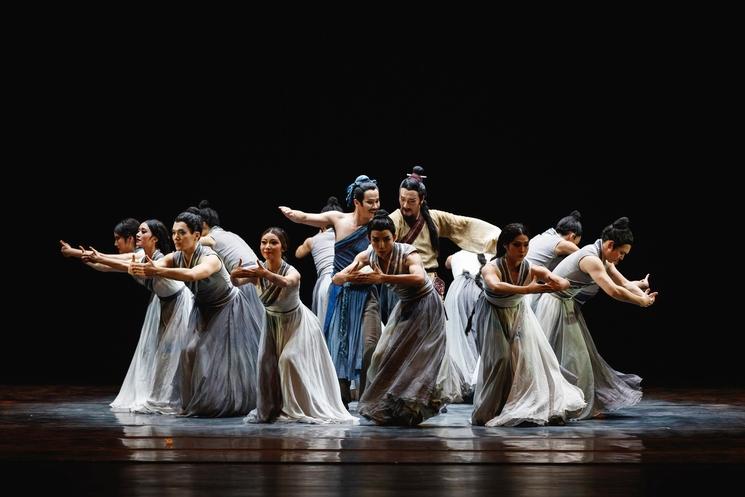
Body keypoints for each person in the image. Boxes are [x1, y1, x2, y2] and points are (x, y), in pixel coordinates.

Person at [130, 211, 263, 417]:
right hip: (203, 309)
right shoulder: (177, 257)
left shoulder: (210, 258)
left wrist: (156, 271)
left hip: (228, 308)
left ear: (197, 236)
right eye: (174, 233)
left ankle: (235, 401)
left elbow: (193, 274)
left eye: (182, 233)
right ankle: (190, 404)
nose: (176, 237)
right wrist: (138, 267)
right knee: (188, 351)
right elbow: (154, 265)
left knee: (228, 358)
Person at [534, 217, 657, 420]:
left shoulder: (603, 257)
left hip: (566, 305)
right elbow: (613, 290)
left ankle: (573, 404)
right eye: (622, 253)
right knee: (560, 358)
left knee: (577, 359)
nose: (622, 258)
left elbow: (624, 284)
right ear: (610, 245)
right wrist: (641, 302)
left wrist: (642, 293)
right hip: (553, 305)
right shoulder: (590, 258)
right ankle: (556, 404)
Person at [231, 227, 356, 424]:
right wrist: (233, 274)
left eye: (273, 242)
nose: (267, 246)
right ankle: (275, 407)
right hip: (273, 324)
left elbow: (287, 282)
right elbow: (237, 283)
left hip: (298, 324)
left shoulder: (290, 271)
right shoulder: (258, 270)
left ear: (283, 247)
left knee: (288, 360)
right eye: (264, 242)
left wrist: (265, 274)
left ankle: (296, 408)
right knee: (267, 366)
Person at [279, 175, 382, 409]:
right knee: (339, 345)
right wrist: (292, 214)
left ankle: (367, 398)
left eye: (377, 201)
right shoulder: (338, 219)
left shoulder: (377, 227)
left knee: (370, 345)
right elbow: (306, 218)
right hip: (341, 292)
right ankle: (341, 397)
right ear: (357, 202)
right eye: (371, 202)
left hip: (366, 292)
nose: (376, 206)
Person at [336, 210, 446, 425]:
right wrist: (349, 275)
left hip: (426, 305)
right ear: (369, 239)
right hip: (406, 304)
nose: (381, 245)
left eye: (386, 239)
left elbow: (418, 277)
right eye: (376, 240)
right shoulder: (367, 256)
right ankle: (389, 406)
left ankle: (412, 408)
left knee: (416, 360)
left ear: (394, 237)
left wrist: (383, 277)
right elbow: (337, 278)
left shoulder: (408, 253)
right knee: (381, 356)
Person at [470, 223, 586, 426]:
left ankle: (519, 403)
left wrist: (557, 283)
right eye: (517, 245)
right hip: (492, 314)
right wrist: (528, 290)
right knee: (500, 359)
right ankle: (491, 409)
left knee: (527, 359)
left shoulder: (531, 268)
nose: (522, 250)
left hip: (518, 312)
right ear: (506, 245)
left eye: (526, 245)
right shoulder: (492, 267)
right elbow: (495, 285)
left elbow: (561, 281)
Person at [82, 220, 192, 414]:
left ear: (155, 238)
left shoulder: (159, 259)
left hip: (180, 305)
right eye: (138, 231)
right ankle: (162, 396)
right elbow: (111, 266)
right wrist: (84, 256)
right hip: (167, 305)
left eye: (143, 231)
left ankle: (175, 398)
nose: (138, 234)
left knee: (174, 354)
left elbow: (123, 264)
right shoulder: (142, 255)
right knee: (163, 355)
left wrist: (99, 257)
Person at [438, 250, 491, 402]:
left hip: (459, 292)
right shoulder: (491, 256)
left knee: (460, 337)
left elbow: (447, 263)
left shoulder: (457, 255)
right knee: (479, 334)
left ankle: (465, 380)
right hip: (481, 289)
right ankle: (477, 381)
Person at [294, 196, 343, 327]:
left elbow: (298, 254)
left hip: (326, 283)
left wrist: (319, 234)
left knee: (326, 326)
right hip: (345, 279)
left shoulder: (312, 240)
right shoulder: (347, 236)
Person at [524, 210, 583, 311]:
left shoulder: (543, 236)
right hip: (525, 288)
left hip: (516, 277)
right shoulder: (562, 243)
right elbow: (587, 256)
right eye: (576, 243)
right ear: (572, 236)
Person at [60, 217, 142, 271]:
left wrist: (70, 251)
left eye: (117, 238)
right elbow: (105, 266)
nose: (115, 244)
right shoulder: (134, 258)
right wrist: (89, 260)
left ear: (130, 238)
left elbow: (104, 256)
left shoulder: (142, 253)